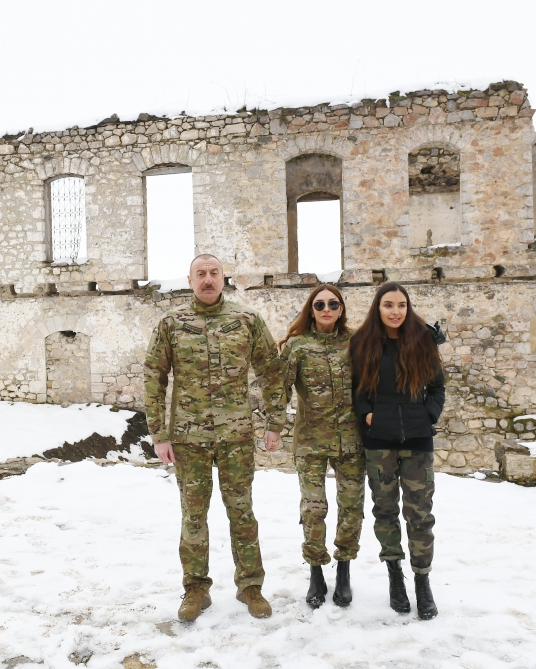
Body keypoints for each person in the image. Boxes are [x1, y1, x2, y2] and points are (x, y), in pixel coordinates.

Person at [144, 254, 286, 622]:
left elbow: (271, 371)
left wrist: (275, 422)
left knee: (242, 511)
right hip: (188, 437)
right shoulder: (171, 323)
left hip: (235, 436)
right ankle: (195, 588)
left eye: (214, 273)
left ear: (224, 278)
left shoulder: (247, 320)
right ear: (189, 280)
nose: (208, 279)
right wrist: (159, 434)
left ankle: (250, 586)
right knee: (193, 515)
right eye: (201, 274)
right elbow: (154, 378)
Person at [350, 282, 445, 620]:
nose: (395, 311)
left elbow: (437, 386)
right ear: (378, 308)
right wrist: (368, 415)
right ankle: (394, 576)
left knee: (420, 514)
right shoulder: (363, 343)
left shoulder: (423, 340)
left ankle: (422, 580)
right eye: (388, 305)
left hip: (418, 440)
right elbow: (357, 389)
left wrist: (428, 414)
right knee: (386, 511)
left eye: (401, 305)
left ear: (408, 307)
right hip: (380, 442)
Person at [280, 284, 365, 609]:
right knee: (313, 509)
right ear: (311, 309)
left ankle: (344, 569)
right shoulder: (297, 345)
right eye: (319, 305)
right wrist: (273, 424)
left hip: (352, 440)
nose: (326, 309)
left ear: (341, 309)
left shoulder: (357, 342)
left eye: (333, 304)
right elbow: (280, 388)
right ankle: (316, 571)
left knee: (351, 507)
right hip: (311, 442)